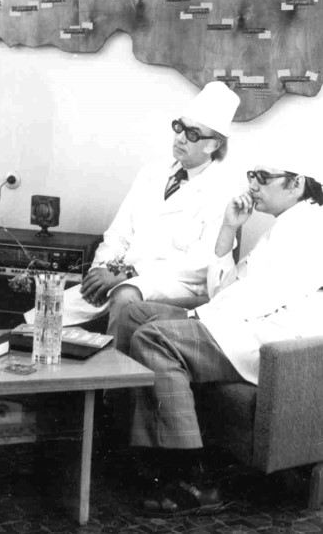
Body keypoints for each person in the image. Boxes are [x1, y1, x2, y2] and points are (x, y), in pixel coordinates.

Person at [115, 150, 323, 515]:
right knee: (135, 314)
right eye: (251, 175)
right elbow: (224, 289)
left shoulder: (311, 227)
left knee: (155, 338)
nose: (253, 185)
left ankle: (191, 476)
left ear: (296, 184)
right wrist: (229, 228)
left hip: (273, 338)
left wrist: (197, 318)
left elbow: (262, 297)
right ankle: (138, 448)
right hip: (243, 320)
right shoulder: (284, 224)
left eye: (263, 177)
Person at [80, 81, 241, 339]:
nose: (180, 138)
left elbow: (200, 264)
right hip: (123, 273)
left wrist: (129, 273)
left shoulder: (223, 191)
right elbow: (118, 234)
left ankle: (114, 367)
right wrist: (101, 271)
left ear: (213, 145)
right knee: (51, 311)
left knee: (124, 296)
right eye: (179, 127)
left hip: (177, 284)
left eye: (192, 134)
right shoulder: (151, 173)